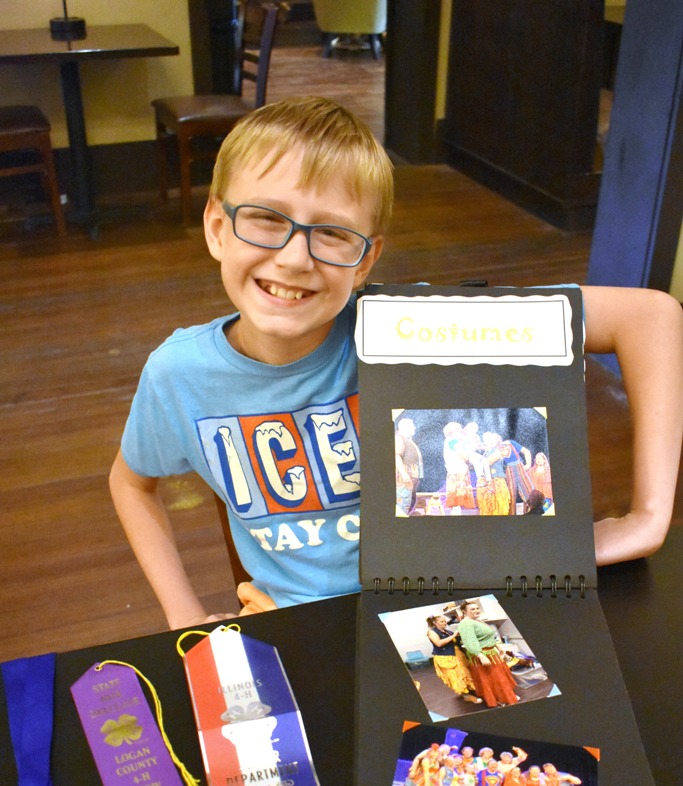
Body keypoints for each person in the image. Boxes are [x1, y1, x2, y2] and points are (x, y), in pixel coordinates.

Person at [109, 94, 683, 629]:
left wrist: (649, 518)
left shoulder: (416, 329)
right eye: (266, 218)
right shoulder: (178, 375)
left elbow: (650, 316)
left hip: (451, 603)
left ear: (365, 261)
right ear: (217, 228)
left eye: (332, 233)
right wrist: (183, 614)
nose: (294, 258)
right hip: (302, 623)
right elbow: (131, 484)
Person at [425, 614, 481, 704]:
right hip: (445, 658)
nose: (444, 623)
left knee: (465, 674)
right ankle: (466, 696)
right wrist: (454, 635)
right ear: (435, 623)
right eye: (442, 622)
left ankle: (471, 691)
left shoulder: (448, 632)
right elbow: (438, 643)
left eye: (445, 621)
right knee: (455, 677)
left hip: (458, 655)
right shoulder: (431, 632)